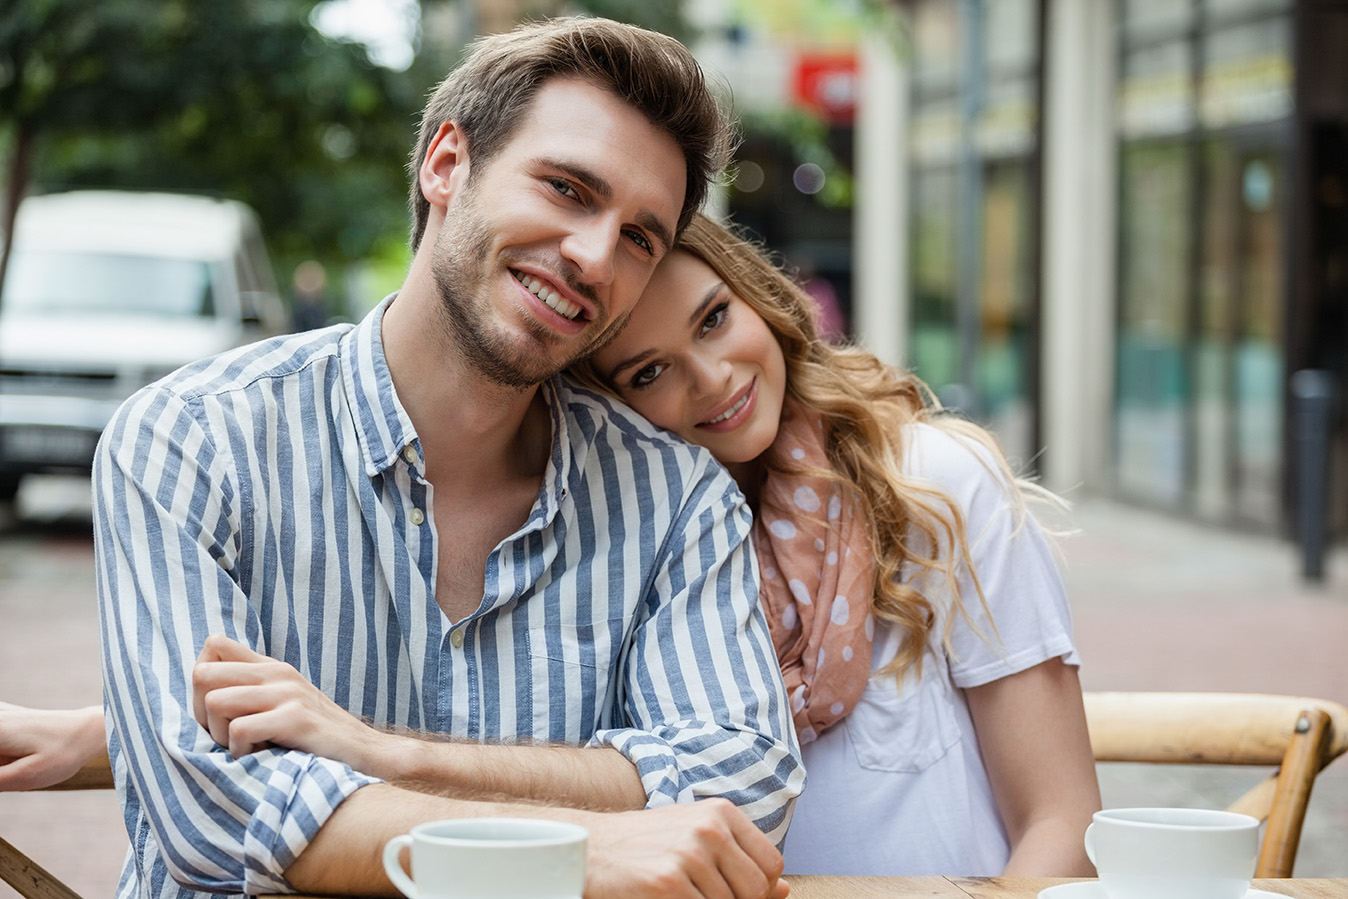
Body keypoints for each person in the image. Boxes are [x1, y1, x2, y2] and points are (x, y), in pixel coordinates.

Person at [88, 18, 801, 899]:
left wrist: (386, 753)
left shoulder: (674, 497)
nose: (593, 256)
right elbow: (214, 811)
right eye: (567, 189)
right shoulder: (194, 441)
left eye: (638, 239)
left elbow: (742, 783)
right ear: (446, 164)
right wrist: (581, 848)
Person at [569, 212, 1101, 876]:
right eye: (649, 372)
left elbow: (1061, 818)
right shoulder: (618, 563)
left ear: (758, 297)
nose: (710, 377)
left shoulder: (930, 485)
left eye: (713, 319)